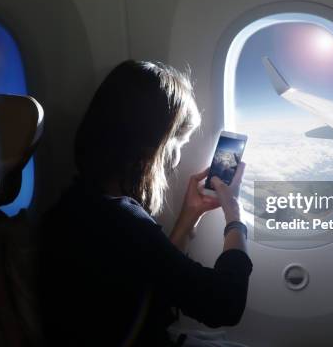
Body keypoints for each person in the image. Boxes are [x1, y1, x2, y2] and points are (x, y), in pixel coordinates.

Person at [39, 60, 252, 346]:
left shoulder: (79, 204)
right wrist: (235, 218)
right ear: (153, 147)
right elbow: (224, 304)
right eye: (177, 144)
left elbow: (158, 277)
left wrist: (190, 216)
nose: (175, 160)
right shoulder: (123, 223)